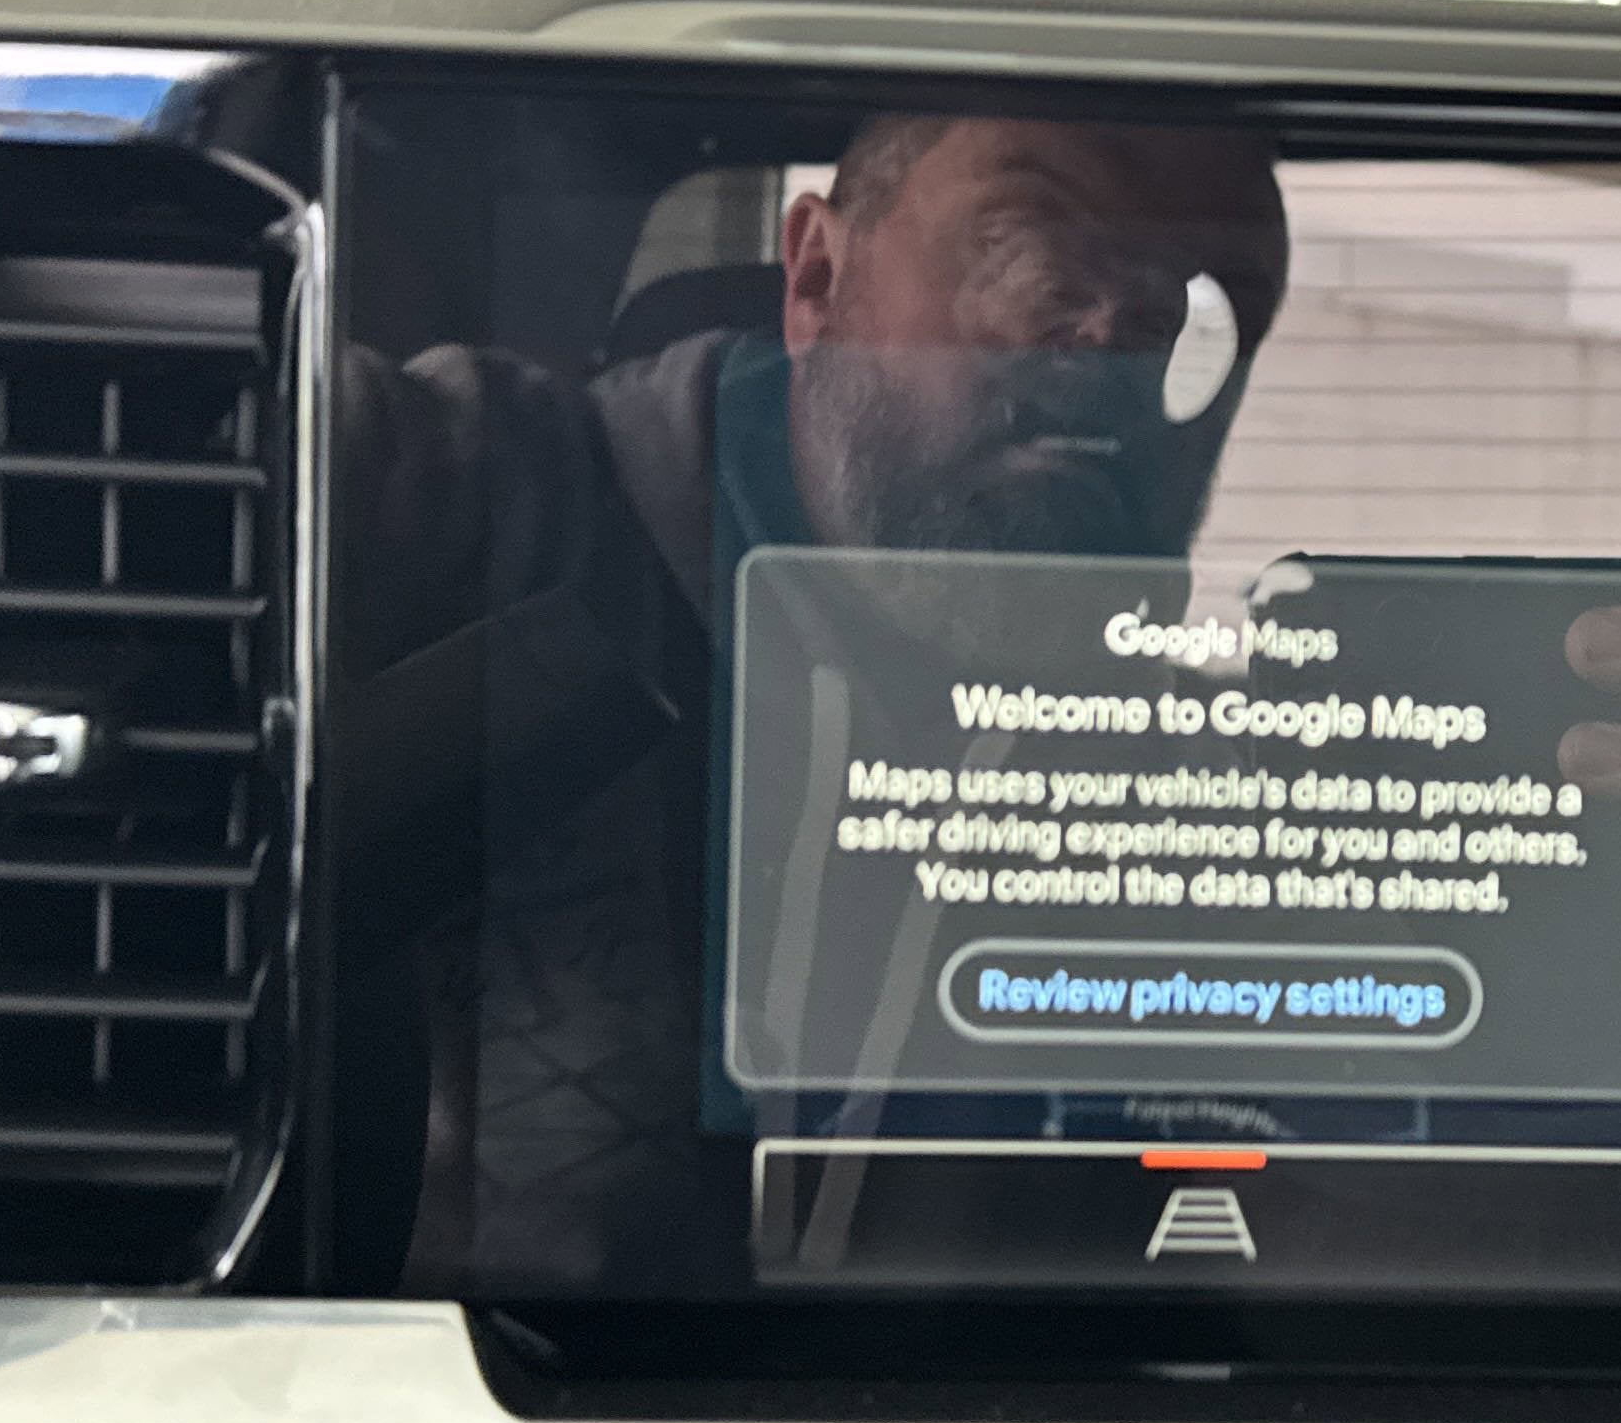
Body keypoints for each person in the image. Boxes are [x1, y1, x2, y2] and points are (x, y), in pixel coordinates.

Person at [333, 112, 1291, 1292]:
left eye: (1195, 312)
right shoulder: (462, 497)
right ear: (817, 280)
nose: (1113, 354)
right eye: (1032, 258)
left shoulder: (1200, 797)